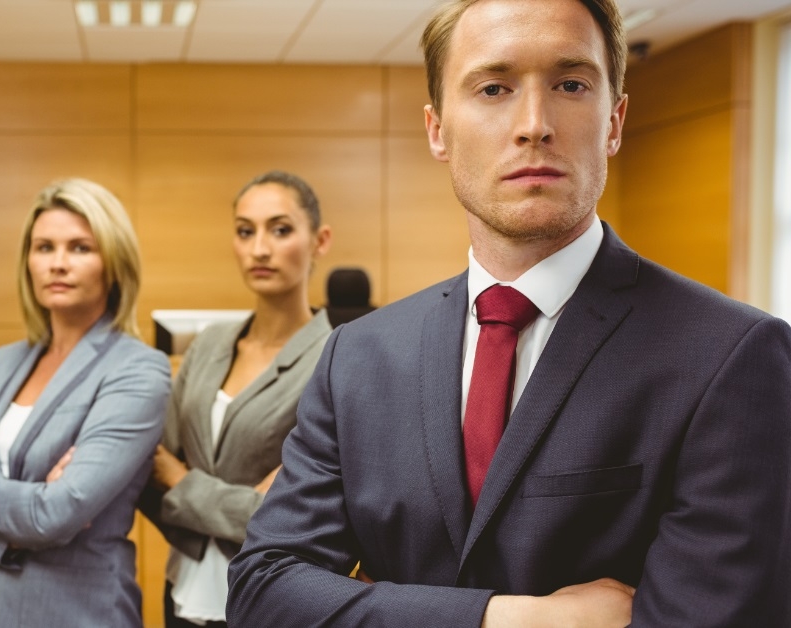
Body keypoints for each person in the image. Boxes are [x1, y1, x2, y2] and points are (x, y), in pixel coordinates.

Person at [227, 0, 791, 626]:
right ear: (438, 128)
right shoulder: (358, 356)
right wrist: (512, 619)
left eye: (570, 85)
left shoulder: (732, 357)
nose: (533, 124)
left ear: (615, 120)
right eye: (493, 88)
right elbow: (263, 590)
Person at [0, 178, 171, 627]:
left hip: (79, 613)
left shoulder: (137, 369)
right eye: (44, 248)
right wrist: (29, 510)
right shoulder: (3, 363)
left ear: (113, 264)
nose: (58, 264)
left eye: (80, 248)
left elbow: (56, 516)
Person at [141, 171, 333, 627]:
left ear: (320, 240)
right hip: (183, 592)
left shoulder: (336, 357)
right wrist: (240, 503)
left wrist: (182, 481)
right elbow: (152, 471)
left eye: (280, 229)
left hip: (273, 601)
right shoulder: (207, 345)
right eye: (245, 231)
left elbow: (296, 515)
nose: (259, 249)